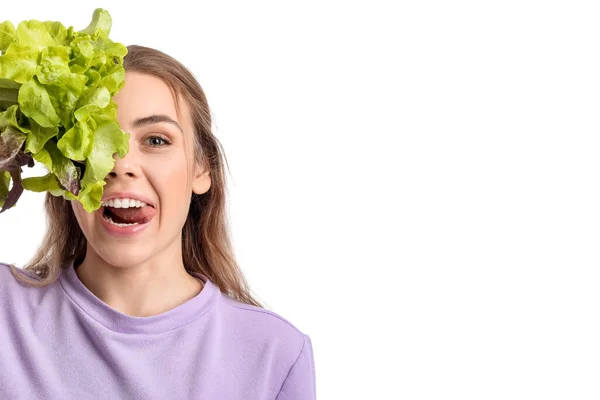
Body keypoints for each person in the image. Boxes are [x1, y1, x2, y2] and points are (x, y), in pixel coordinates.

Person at [0, 45, 316, 399]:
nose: (120, 164)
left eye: (155, 140)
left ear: (201, 168)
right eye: (92, 137)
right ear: (62, 167)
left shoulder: (275, 354)